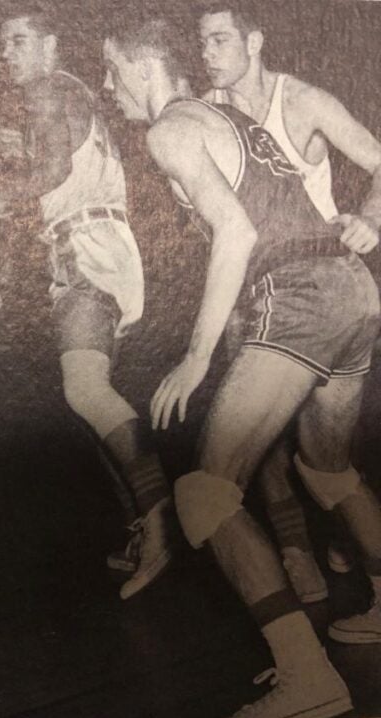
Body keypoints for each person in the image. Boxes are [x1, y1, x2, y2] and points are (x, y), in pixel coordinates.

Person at [104, 17, 381, 718]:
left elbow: (239, 231)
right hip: (353, 290)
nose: (109, 88)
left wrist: (198, 356)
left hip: (299, 297)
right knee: (326, 469)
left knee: (205, 494)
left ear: (143, 67)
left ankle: (306, 674)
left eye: (112, 72)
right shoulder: (225, 114)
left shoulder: (171, 129)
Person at [197, 0, 381, 604]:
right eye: (201, 43)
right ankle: (302, 557)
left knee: (298, 458)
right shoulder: (209, 112)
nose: (208, 54)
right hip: (262, 289)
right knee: (301, 461)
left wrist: (373, 219)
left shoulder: (300, 100)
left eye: (220, 40)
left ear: (255, 41)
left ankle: (328, 553)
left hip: (317, 282)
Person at [0, 2, 174, 597]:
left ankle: (163, 521)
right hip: (98, 244)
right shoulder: (66, 96)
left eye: (18, 41)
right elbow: (57, 165)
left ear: (49, 45)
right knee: (88, 400)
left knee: (84, 391)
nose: (7, 53)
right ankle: (144, 525)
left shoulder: (47, 89)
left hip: (87, 246)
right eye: (5, 43)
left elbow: (43, 176)